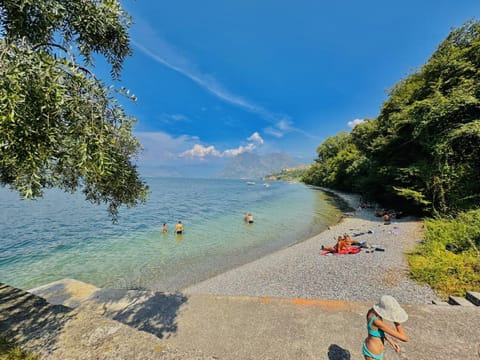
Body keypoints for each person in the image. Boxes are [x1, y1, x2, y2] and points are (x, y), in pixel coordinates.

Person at [363, 295, 409, 360]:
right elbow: (405, 338)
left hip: (376, 350)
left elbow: (375, 331)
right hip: (372, 353)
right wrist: (396, 321)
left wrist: (389, 340)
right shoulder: (376, 321)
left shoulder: (372, 312)